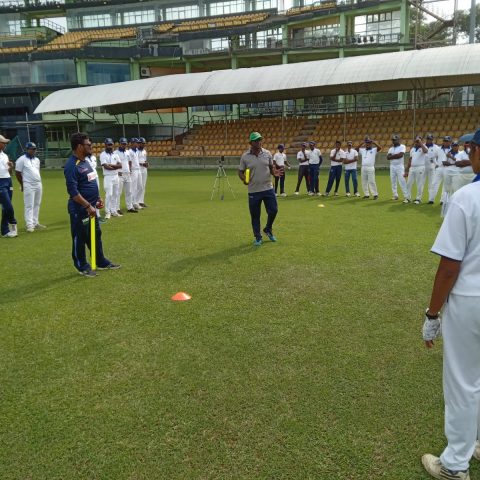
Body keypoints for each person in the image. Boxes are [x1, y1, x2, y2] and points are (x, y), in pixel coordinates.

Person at [421, 128, 480, 480]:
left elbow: (449, 267)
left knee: (462, 382)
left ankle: (455, 465)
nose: (470, 154)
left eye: (472, 149)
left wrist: (432, 314)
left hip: (471, 299)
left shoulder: (466, 198)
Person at [64, 132, 120, 277]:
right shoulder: (72, 165)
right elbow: (73, 192)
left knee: (95, 234)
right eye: (88, 145)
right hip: (80, 210)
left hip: (92, 208)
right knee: (80, 237)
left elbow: (90, 181)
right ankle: (82, 266)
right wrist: (88, 206)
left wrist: (97, 199)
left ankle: (100, 261)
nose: (91, 147)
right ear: (79, 146)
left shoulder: (85, 162)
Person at [238, 131, 279, 246]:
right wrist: (244, 179)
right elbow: (240, 172)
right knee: (255, 216)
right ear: (251, 143)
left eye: (260, 140)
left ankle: (268, 229)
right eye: (256, 140)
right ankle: (258, 237)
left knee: (274, 210)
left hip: (268, 188)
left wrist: (274, 173)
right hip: (254, 191)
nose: (259, 142)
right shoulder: (245, 157)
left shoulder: (267, 153)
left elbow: (271, 168)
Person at [15, 142, 46, 232]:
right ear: (27, 149)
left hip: (38, 183)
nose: (34, 151)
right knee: (29, 205)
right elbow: (17, 173)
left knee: (37, 204)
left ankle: (35, 222)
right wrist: (22, 184)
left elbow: (37, 171)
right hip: (28, 184)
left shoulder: (37, 160)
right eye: (32, 149)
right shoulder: (21, 159)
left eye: (35, 149)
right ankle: (29, 225)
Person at [0, 134, 17, 238]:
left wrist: (11, 167)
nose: (5, 144)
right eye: (3, 143)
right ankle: (13, 224)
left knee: (5, 207)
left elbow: (9, 172)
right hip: (0, 182)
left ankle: (5, 231)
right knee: (8, 206)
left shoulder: (5, 155)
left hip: (8, 181)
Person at [100, 138, 122, 219]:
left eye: (111, 144)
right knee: (109, 195)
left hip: (116, 176)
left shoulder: (115, 154)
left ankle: (113, 211)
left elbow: (120, 165)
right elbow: (106, 167)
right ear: (105, 145)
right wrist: (116, 167)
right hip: (108, 177)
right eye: (108, 145)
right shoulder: (103, 154)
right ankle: (107, 212)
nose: (110, 146)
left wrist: (112, 165)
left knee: (116, 194)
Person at [115, 137, 136, 213]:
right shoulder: (115, 153)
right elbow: (114, 163)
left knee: (129, 191)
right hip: (120, 174)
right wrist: (117, 171)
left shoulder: (127, 152)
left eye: (125, 144)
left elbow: (130, 161)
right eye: (123, 144)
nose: (124, 145)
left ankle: (130, 207)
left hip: (127, 174)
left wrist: (130, 169)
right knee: (118, 192)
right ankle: (117, 208)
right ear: (120, 144)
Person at [405, 136, 428, 204]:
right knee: (409, 183)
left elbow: (426, 151)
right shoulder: (412, 149)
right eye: (416, 141)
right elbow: (410, 159)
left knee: (419, 184)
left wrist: (420, 143)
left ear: (421, 141)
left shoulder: (424, 147)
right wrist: (407, 170)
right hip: (412, 168)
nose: (417, 142)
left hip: (420, 167)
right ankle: (408, 198)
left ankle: (418, 198)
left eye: (418, 141)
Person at [386, 134, 408, 202]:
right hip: (392, 166)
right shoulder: (391, 148)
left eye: (395, 140)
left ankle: (406, 196)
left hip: (399, 166)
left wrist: (392, 156)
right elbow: (387, 157)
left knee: (402, 181)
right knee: (393, 181)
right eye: (393, 140)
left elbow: (400, 155)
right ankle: (395, 195)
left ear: (398, 140)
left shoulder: (402, 146)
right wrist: (395, 155)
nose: (394, 141)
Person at [424, 133, 440, 204]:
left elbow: (439, 156)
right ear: (426, 139)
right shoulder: (423, 145)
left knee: (431, 183)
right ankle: (418, 198)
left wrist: (437, 164)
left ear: (432, 139)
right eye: (428, 139)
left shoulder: (436, 147)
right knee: (421, 183)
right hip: (423, 166)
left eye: (430, 139)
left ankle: (431, 199)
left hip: (432, 166)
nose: (429, 140)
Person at [128, 138, 142, 210]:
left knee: (140, 187)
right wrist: (130, 170)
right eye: (137, 142)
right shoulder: (129, 151)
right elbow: (129, 162)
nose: (138, 144)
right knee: (133, 188)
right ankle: (132, 203)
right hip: (133, 170)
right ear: (132, 143)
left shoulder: (137, 151)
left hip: (138, 169)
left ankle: (136, 202)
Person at [137, 137, 149, 208]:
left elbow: (144, 160)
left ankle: (141, 201)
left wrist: (146, 163)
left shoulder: (144, 151)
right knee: (138, 186)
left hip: (144, 170)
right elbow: (134, 162)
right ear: (139, 143)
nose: (143, 144)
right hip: (138, 170)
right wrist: (142, 164)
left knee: (143, 186)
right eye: (142, 143)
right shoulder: (136, 151)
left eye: (144, 143)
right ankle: (136, 202)